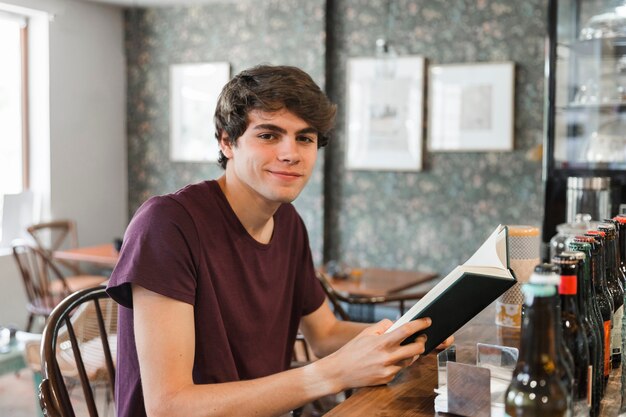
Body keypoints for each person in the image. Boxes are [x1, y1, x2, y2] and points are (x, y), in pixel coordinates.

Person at [107, 64, 451, 417]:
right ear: (227, 141)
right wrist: (330, 375)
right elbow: (170, 407)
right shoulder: (167, 223)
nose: (291, 153)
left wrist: (408, 336)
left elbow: (325, 333)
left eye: (305, 137)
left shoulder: (287, 222)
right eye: (269, 135)